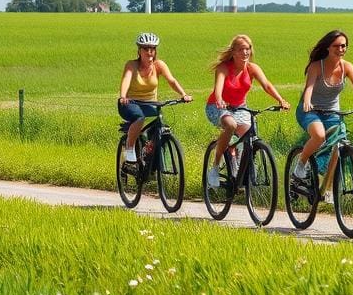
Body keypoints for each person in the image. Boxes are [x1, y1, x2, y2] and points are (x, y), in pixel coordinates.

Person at [291, 30, 353, 191]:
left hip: (332, 113)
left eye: (344, 46)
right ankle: (301, 165)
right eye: (337, 46)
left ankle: (327, 187)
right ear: (328, 48)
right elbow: (309, 86)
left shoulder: (347, 67)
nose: (341, 49)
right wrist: (307, 101)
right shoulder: (316, 66)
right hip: (310, 111)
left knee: (337, 148)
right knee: (319, 136)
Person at [205, 34, 290, 188]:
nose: (245, 52)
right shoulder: (223, 68)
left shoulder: (252, 68)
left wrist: (280, 100)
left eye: (248, 49)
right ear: (233, 52)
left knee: (249, 136)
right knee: (230, 125)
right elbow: (218, 88)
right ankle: (215, 167)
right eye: (241, 49)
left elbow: (267, 85)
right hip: (217, 107)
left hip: (240, 108)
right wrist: (219, 100)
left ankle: (241, 171)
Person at [117, 32, 192, 163]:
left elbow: (172, 81)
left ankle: (153, 165)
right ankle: (130, 147)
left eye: (152, 49)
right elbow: (126, 80)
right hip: (130, 103)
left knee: (160, 131)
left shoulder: (159, 65)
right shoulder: (131, 65)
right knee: (139, 117)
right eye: (146, 49)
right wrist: (123, 96)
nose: (150, 52)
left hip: (151, 104)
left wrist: (183, 94)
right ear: (139, 50)